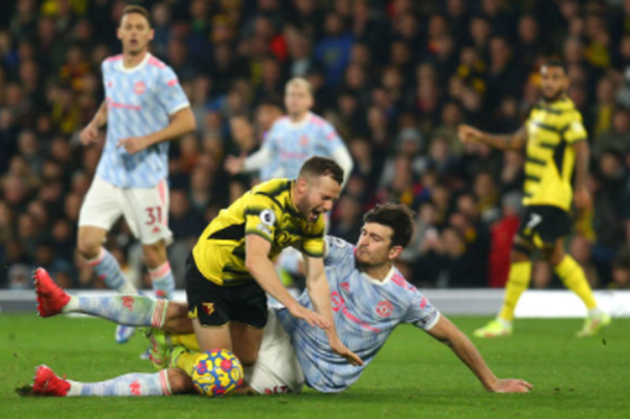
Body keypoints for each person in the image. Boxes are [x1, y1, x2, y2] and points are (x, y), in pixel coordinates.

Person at [30, 204, 531, 396]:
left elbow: (452, 336)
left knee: (198, 381)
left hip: (294, 373)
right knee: (184, 313)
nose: (362, 241)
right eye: (363, 231)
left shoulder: (403, 298)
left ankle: (68, 389)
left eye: (375, 239)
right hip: (275, 325)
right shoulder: (333, 252)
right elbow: (281, 243)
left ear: (395, 251)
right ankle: (65, 301)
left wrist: (492, 382)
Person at [458, 59, 611, 338]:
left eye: (555, 77)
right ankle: (595, 311)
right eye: (546, 77)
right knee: (554, 254)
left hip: (551, 196)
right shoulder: (539, 111)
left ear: (566, 82)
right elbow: (516, 142)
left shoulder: (568, 114)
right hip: (536, 194)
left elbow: (583, 149)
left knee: (519, 249)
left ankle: (504, 320)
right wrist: (481, 137)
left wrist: (581, 188)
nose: (550, 82)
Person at [76, 5, 196, 343]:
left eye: (139, 27)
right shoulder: (109, 66)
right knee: (87, 244)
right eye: (127, 26)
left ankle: (165, 324)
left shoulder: (161, 74)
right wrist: (94, 124)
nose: (133, 32)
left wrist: (147, 139)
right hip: (110, 172)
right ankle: (132, 306)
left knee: (153, 253)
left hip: (147, 177)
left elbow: (187, 120)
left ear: (149, 34)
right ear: (119, 33)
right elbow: (111, 102)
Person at [224, 78, 353, 183]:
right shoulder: (279, 126)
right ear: (285, 99)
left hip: (311, 205)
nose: (295, 99)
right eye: (291, 95)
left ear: (310, 101)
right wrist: (246, 165)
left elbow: (345, 162)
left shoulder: (321, 127)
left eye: (300, 95)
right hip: (286, 201)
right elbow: (267, 155)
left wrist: (331, 194)